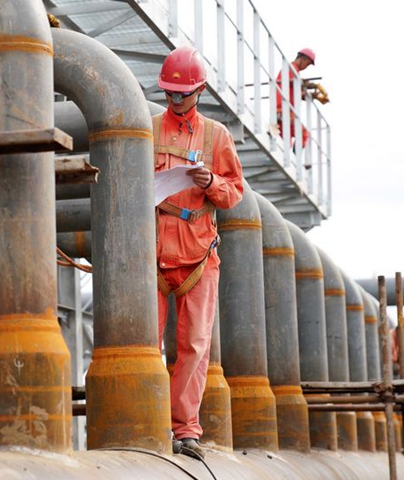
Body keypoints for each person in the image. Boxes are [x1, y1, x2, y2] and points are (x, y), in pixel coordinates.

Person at [154, 45, 244, 458]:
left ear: (199, 91)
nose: (174, 101)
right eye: (169, 94)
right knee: (140, 343)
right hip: (150, 251)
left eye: (182, 94)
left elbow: (234, 194)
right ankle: (146, 421)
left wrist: (210, 183)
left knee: (194, 346)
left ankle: (184, 428)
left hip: (198, 255)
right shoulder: (147, 128)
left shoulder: (216, 136)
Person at [275, 48, 316, 149]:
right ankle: (294, 158)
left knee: (285, 141)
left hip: (283, 110)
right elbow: (295, 83)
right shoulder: (291, 68)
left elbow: (295, 89)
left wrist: (309, 95)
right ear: (303, 59)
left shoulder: (293, 71)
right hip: (284, 110)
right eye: (307, 64)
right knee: (303, 134)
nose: (306, 67)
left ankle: (291, 159)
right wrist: (307, 84)